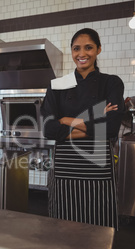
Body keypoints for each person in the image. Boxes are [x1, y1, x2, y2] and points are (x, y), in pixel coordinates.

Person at [41, 28, 125, 229]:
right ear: (71, 51)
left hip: (98, 173)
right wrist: (96, 121)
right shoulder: (58, 85)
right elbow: (49, 129)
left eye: (89, 48)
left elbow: (112, 127)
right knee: (62, 230)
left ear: (98, 50)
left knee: (98, 232)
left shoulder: (111, 83)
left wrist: (66, 119)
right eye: (76, 48)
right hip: (64, 172)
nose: (82, 54)